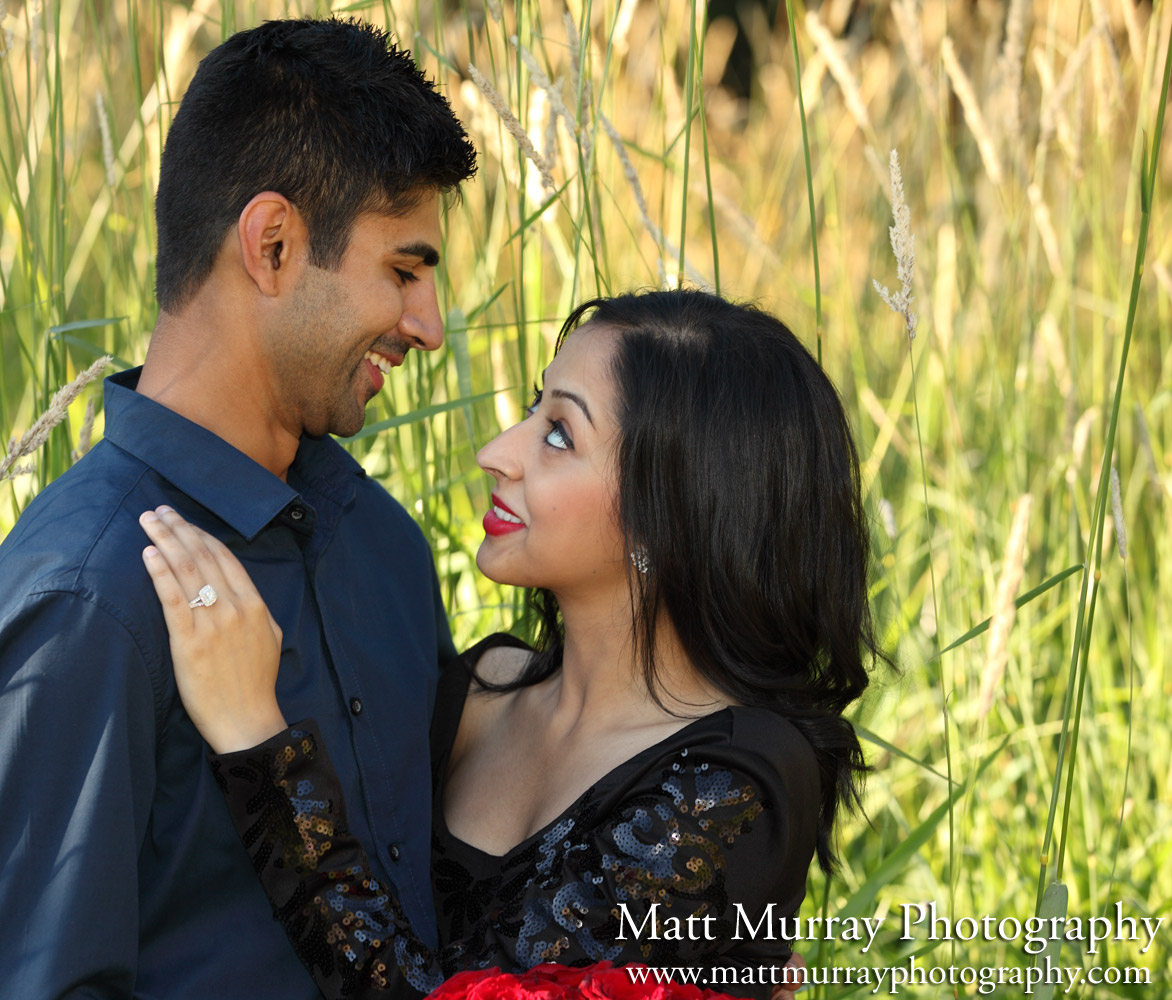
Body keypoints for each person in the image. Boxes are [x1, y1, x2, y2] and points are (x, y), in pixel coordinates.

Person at [136, 289, 881, 1000]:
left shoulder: (735, 781)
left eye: (559, 434)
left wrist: (258, 743)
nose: (498, 451)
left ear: (671, 516)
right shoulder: (479, 688)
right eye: (533, 408)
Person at [0, 19, 476, 998]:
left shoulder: (386, 550)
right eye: (403, 271)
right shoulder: (87, 600)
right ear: (272, 245)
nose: (429, 327)